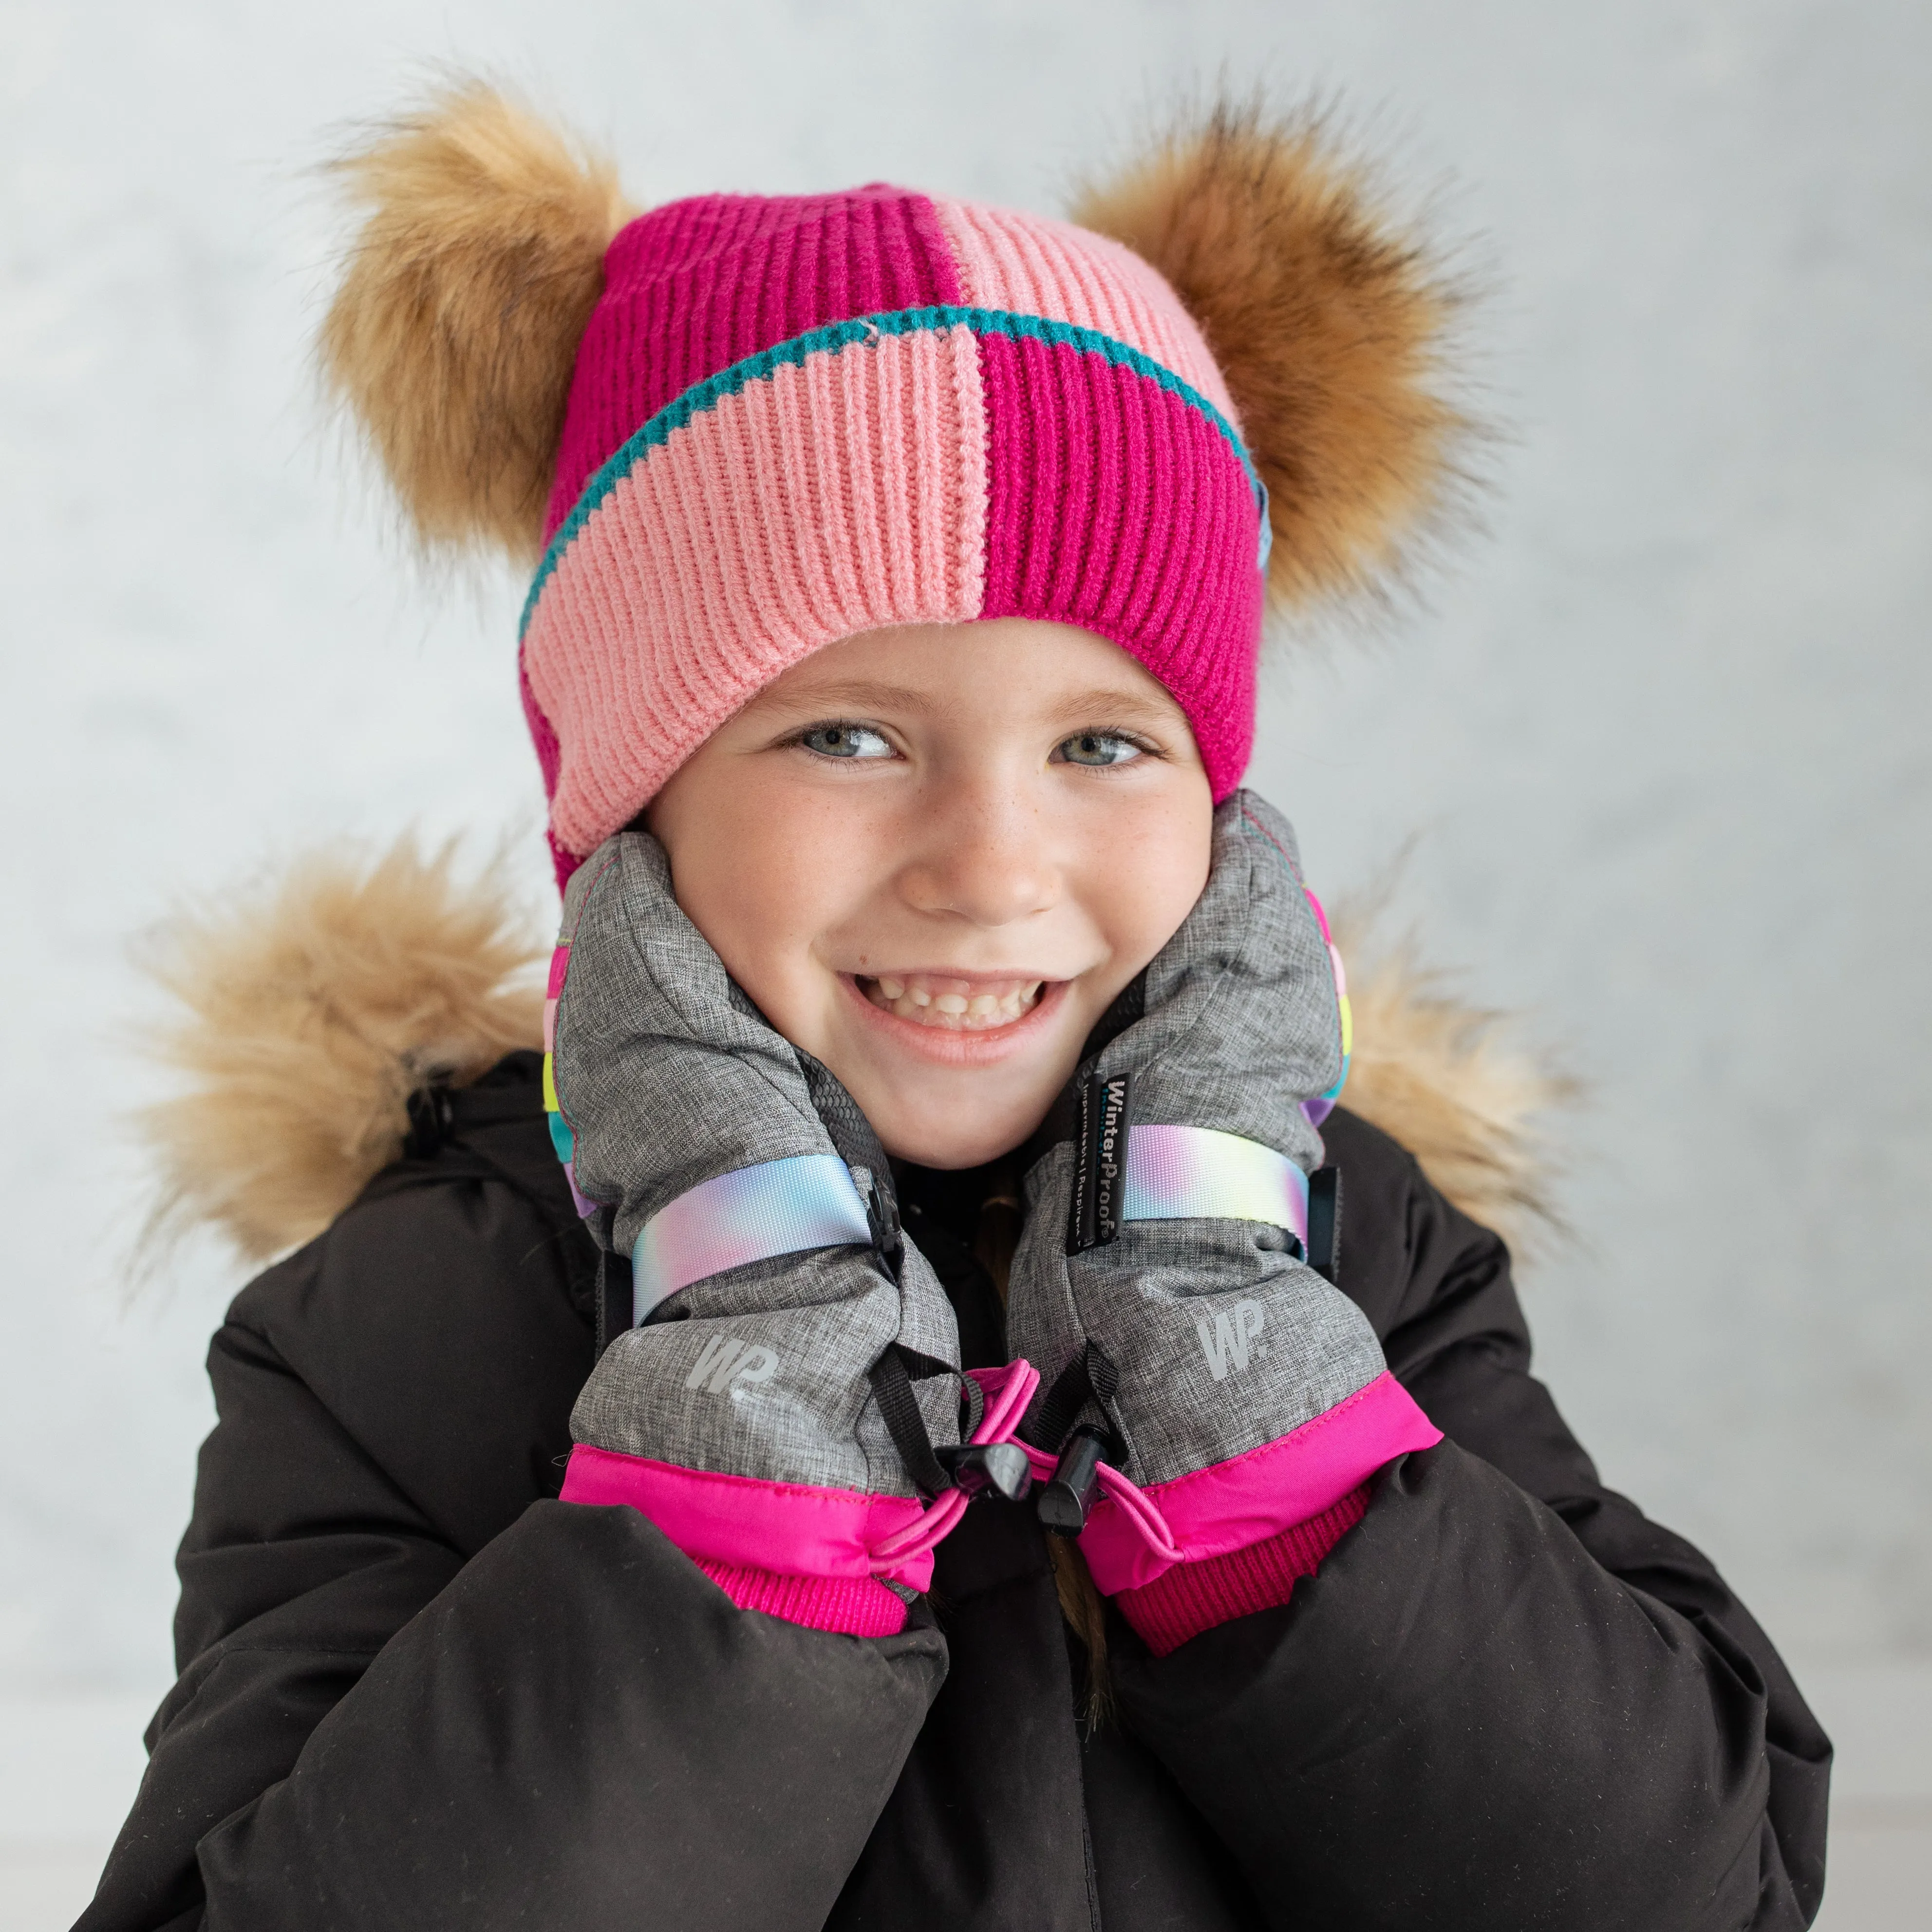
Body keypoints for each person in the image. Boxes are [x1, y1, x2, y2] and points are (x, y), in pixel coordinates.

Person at [79, 80, 1830, 1931]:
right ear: (632, 805)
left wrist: (1242, 1385)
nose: (991, 865)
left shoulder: (1353, 1245)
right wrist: (735, 1451)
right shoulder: (409, 1315)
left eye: (1102, 741)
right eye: (846, 734)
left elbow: (1692, 1890)